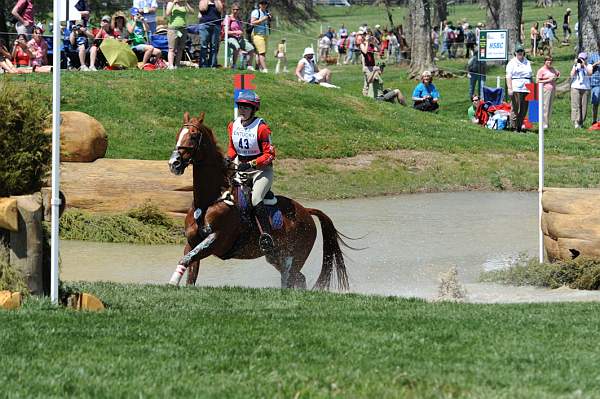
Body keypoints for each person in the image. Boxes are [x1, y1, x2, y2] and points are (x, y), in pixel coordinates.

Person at [226, 91, 276, 253]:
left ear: (254, 109)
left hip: (262, 171)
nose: (242, 110)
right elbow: (233, 148)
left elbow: (270, 155)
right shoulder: (233, 126)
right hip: (241, 170)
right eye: (240, 106)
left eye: (246, 107)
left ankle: (267, 236)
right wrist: (227, 159)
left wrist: (252, 164)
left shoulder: (262, 128)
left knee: (255, 198)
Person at [506, 43, 532, 132]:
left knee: (524, 109)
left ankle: (519, 126)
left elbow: (530, 76)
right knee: (515, 108)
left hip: (527, 87)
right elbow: (508, 76)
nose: (520, 53)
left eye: (521, 51)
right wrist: (510, 88)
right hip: (516, 87)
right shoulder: (512, 63)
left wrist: (533, 87)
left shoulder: (527, 62)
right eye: (518, 51)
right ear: (515, 53)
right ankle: (513, 126)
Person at [225, 2, 255, 70]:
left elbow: (241, 30)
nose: (235, 11)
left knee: (251, 48)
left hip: (240, 38)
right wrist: (236, 32)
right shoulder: (228, 18)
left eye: (237, 9)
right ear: (231, 10)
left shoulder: (239, 19)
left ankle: (249, 66)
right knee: (237, 47)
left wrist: (241, 33)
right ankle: (234, 65)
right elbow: (226, 32)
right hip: (231, 38)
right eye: (234, 9)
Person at [166, 0, 193, 69]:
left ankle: (177, 65)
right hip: (173, 29)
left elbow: (192, 12)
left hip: (182, 29)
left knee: (180, 48)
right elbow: (167, 13)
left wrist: (186, 3)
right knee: (172, 48)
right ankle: (171, 65)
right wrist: (174, 3)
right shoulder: (170, 3)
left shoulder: (184, 4)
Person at [570, 52, 593, 128]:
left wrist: (584, 65)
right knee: (576, 105)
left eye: (583, 59)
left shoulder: (589, 65)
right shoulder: (576, 65)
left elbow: (590, 73)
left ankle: (581, 121)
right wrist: (576, 67)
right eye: (580, 58)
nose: (581, 60)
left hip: (585, 88)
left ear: (586, 59)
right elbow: (571, 75)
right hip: (575, 87)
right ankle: (576, 122)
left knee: (584, 106)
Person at [536, 56, 560, 129]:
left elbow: (558, 74)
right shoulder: (541, 70)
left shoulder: (552, 69)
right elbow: (537, 81)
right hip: (545, 89)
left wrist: (556, 78)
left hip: (552, 89)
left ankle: (547, 122)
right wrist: (548, 80)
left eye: (551, 60)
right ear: (545, 61)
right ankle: (543, 123)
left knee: (550, 106)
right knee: (545, 106)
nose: (550, 62)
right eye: (548, 60)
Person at [198, 0, 223, 68]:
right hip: (204, 25)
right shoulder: (203, 1)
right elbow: (203, 9)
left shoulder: (218, 1)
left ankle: (212, 65)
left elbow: (220, 9)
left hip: (216, 25)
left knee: (214, 46)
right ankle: (203, 65)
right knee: (204, 45)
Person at [250, 0, 271, 73]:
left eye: (265, 3)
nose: (264, 5)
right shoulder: (256, 12)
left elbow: (267, 23)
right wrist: (263, 19)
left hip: (265, 35)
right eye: (262, 3)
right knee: (262, 53)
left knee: (259, 53)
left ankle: (257, 68)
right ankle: (265, 69)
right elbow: (252, 23)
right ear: (259, 5)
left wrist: (268, 19)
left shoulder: (266, 12)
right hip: (257, 35)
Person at [360, 30, 378, 96]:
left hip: (373, 66)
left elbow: (378, 50)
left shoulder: (371, 45)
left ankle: (372, 95)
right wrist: (367, 42)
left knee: (372, 81)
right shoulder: (362, 44)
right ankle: (365, 96)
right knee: (368, 82)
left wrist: (375, 42)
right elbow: (365, 51)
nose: (367, 36)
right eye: (366, 35)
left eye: (368, 35)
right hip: (366, 66)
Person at [589, 52, 600, 125]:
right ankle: (594, 121)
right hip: (595, 82)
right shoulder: (593, 56)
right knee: (595, 102)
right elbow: (588, 69)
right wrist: (596, 63)